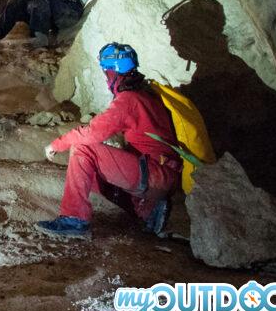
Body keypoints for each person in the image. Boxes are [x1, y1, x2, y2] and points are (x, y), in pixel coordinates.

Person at [36, 43, 181, 239]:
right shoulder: (147, 95)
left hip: (156, 174)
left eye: (107, 73)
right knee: (94, 169)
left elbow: (93, 133)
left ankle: (74, 220)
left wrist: (58, 143)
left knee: (83, 149)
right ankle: (147, 209)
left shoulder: (129, 100)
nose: (106, 80)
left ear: (114, 72)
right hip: (164, 175)